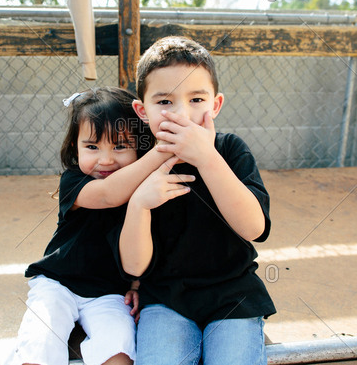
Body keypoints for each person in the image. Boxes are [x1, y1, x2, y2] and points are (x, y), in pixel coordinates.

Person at [118, 37, 276, 365]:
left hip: (233, 295)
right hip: (165, 298)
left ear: (215, 105)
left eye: (196, 99)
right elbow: (134, 266)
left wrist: (208, 158)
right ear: (142, 110)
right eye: (164, 101)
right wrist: (139, 205)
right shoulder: (138, 163)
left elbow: (253, 227)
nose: (182, 114)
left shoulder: (230, 149)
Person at [5, 87, 180, 365]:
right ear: (75, 146)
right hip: (58, 283)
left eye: (120, 146)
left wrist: (136, 284)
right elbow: (110, 194)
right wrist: (163, 151)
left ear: (139, 146)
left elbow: (146, 243)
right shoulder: (74, 182)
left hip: (109, 293)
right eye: (92, 146)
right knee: (41, 340)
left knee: (119, 349)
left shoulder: (145, 190)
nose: (106, 159)